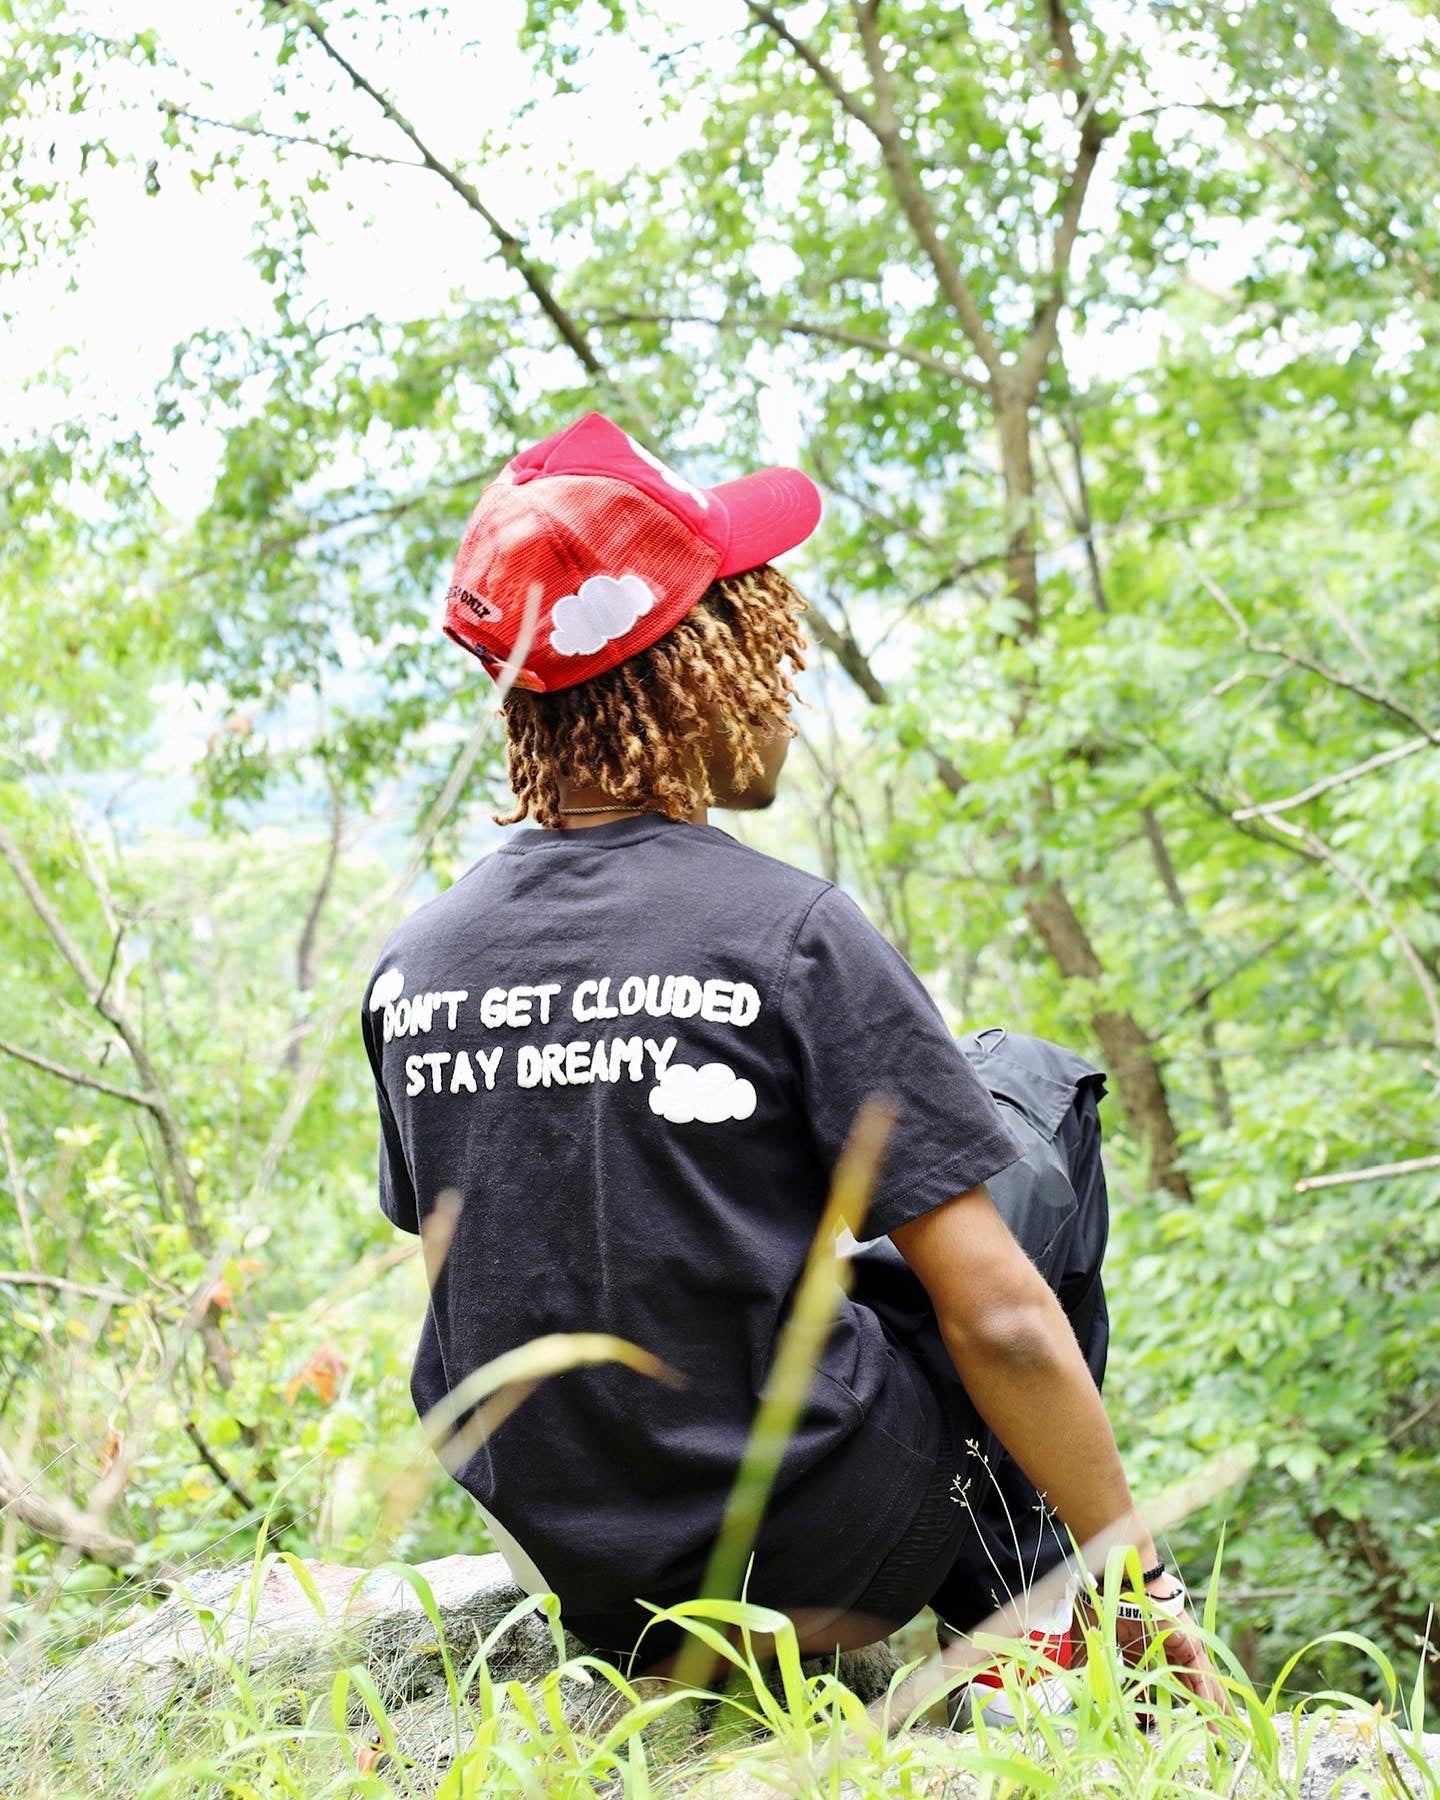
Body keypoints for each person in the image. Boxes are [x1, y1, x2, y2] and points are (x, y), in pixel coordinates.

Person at [360, 411, 1221, 1712]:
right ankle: (1059, 1618)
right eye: (757, 634)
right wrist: (1145, 1570)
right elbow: (997, 1319)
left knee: (901, 1234)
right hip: (819, 1551)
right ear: (693, 662)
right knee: (1034, 1090)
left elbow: (547, 1251)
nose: (787, 672)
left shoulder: (412, 966)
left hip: (601, 1586)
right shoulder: (787, 935)